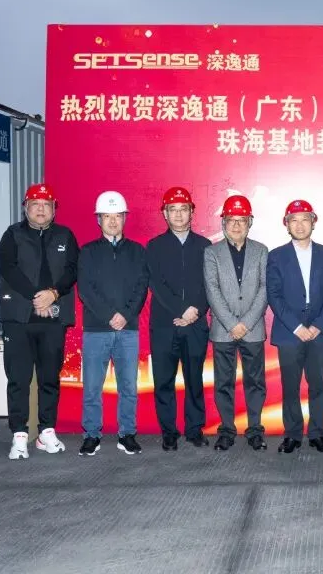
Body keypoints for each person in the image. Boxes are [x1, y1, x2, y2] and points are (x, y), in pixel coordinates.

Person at [0, 183, 80, 459]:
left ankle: (46, 431)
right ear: (26, 208)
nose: (41, 209)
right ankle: (19, 435)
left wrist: (53, 294)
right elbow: (8, 268)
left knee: (49, 378)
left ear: (54, 209)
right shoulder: (12, 234)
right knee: (18, 380)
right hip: (18, 320)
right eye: (35, 204)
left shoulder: (65, 235)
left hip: (53, 321)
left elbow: (72, 270)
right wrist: (37, 297)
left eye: (46, 205)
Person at [76, 190, 149, 456]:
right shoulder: (87, 252)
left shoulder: (137, 251)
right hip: (96, 329)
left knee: (128, 386)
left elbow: (141, 287)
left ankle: (127, 434)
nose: (113, 221)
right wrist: (109, 315)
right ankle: (91, 435)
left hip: (128, 330)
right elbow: (86, 289)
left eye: (117, 216)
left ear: (125, 218)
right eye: (107, 216)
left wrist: (125, 315)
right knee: (92, 387)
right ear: (99, 220)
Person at [266, 199, 323, 454]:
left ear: (313, 222)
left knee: (318, 385)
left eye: (305, 219)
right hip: (289, 332)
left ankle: (318, 433)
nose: (299, 225)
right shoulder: (276, 256)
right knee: (291, 386)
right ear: (286, 225)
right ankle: (293, 434)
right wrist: (297, 327)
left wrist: (318, 325)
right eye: (293, 220)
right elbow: (274, 295)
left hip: (319, 332)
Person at [146, 186, 212, 450]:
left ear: (192, 212)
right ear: (165, 214)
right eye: (172, 210)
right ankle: (169, 432)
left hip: (196, 324)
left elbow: (210, 285)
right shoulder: (155, 246)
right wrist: (181, 310)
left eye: (183, 209)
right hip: (165, 325)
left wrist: (195, 310)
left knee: (194, 379)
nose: (178, 214)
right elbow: (156, 284)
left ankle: (194, 429)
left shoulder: (205, 246)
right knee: (164, 380)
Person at [204, 195, 270, 451]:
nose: (236, 225)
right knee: (224, 383)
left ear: (250, 222)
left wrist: (247, 323)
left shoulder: (261, 250)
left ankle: (255, 430)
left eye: (242, 220)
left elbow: (265, 288)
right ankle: (227, 430)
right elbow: (212, 290)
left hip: (253, 329)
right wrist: (232, 324)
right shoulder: (212, 252)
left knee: (256, 382)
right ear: (223, 222)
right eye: (231, 220)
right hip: (224, 330)